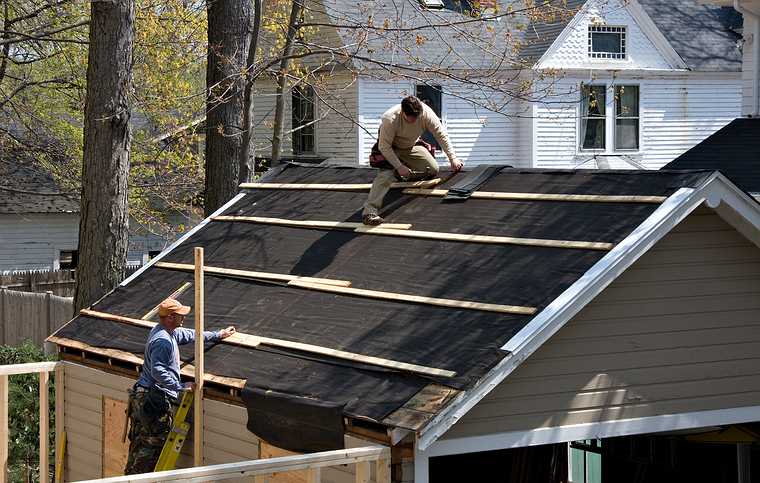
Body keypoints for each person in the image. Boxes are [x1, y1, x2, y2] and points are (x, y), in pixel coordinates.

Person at [124, 298, 236, 474]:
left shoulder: (165, 331)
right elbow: (158, 371)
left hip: (143, 396)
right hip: (152, 401)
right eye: (180, 315)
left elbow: (191, 335)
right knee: (150, 446)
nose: (183, 318)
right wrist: (180, 386)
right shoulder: (163, 341)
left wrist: (218, 334)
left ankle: (129, 478)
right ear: (170, 317)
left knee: (139, 443)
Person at [363, 95, 463, 225]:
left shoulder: (426, 113)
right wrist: (398, 166)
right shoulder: (390, 118)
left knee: (433, 169)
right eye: (410, 118)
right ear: (403, 112)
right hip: (391, 149)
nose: (413, 120)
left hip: (411, 146)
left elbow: (441, 134)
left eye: (416, 117)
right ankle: (369, 212)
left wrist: (453, 158)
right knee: (385, 176)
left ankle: (402, 175)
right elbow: (384, 147)